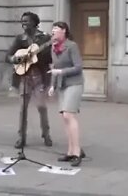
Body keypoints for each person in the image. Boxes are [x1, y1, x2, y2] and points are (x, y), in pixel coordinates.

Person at [7, 11, 53, 149]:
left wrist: (38, 54)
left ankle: (46, 134)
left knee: (41, 107)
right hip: (24, 77)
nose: (23, 24)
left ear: (34, 22)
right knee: (23, 109)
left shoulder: (45, 38)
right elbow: (8, 56)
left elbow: (50, 58)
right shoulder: (20, 39)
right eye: (22, 21)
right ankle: (21, 137)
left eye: (26, 21)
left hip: (40, 76)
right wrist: (16, 59)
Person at [48, 21, 86, 167]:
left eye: (56, 30)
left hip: (75, 84)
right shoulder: (54, 48)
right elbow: (54, 68)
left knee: (69, 115)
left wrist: (62, 72)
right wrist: (52, 85)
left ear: (64, 31)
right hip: (62, 85)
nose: (53, 33)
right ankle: (70, 151)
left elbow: (78, 67)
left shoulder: (72, 46)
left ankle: (77, 152)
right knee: (65, 118)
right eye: (52, 31)